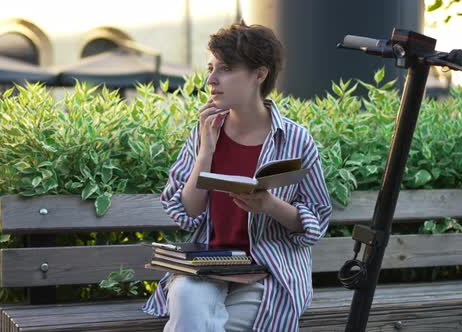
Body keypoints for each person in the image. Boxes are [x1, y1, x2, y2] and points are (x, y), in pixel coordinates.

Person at [142, 20, 332, 331]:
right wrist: (206, 152)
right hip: (207, 265)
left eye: (226, 69)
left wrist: (268, 204)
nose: (211, 80)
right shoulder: (204, 131)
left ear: (259, 74)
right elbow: (186, 213)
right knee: (187, 300)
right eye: (211, 68)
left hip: (268, 270)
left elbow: (315, 222)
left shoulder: (296, 139)